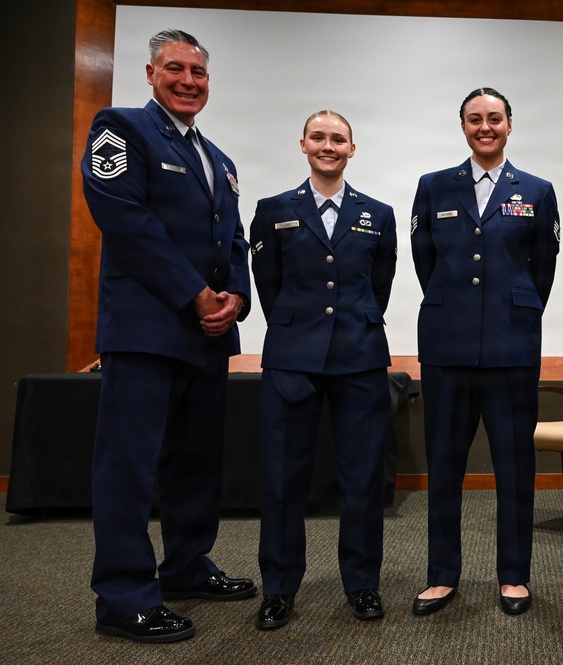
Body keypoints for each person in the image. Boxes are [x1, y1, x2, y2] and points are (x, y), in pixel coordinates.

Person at [81, 29, 255, 644]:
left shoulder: (221, 161)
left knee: (195, 463)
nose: (188, 81)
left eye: (199, 73)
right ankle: (124, 595)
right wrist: (194, 294)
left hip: (207, 337)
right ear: (152, 73)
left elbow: (232, 240)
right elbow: (124, 218)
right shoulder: (120, 128)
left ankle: (185, 566)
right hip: (146, 331)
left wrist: (235, 298)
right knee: (129, 466)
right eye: (176, 69)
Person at [410, 87, 559, 616]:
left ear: (510, 125)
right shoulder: (432, 188)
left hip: (511, 347)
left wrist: (507, 311)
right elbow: (424, 261)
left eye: (494, 118)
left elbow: (542, 269)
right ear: (464, 127)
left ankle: (514, 576)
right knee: (444, 466)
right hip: (447, 347)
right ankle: (441, 575)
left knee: (515, 468)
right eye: (475, 120)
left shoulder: (537, 190)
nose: (485, 127)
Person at [249, 110, 397, 628]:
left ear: (352, 149)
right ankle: (279, 588)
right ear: (303, 145)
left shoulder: (377, 214)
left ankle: (362, 583)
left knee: (361, 479)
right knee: (284, 480)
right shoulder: (272, 211)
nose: (328, 145)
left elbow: (379, 287)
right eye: (319, 137)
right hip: (293, 359)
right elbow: (269, 288)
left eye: (338, 139)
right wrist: (299, 330)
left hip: (359, 358)